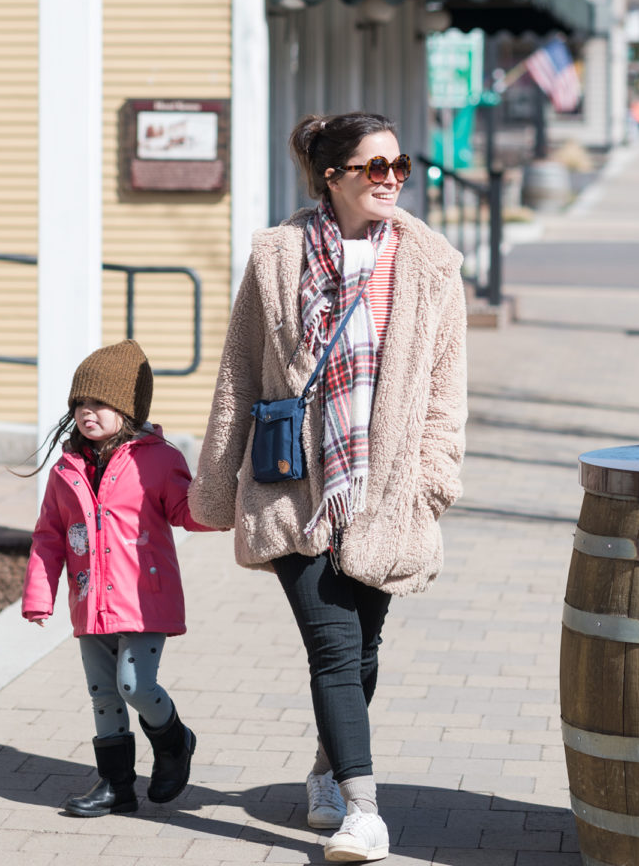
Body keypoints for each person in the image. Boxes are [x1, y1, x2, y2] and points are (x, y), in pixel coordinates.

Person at [190, 112, 467, 864]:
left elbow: (446, 391)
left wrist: (433, 482)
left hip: (387, 492)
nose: (391, 180)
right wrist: (214, 486)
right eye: (375, 167)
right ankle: (364, 812)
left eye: (399, 166)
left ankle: (325, 769)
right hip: (293, 487)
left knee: (364, 645)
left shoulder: (432, 263)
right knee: (335, 649)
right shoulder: (278, 259)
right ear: (332, 176)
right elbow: (237, 373)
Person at [22, 339, 211, 817]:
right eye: (80, 403)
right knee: (103, 694)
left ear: (126, 409)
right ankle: (116, 786)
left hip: (144, 599)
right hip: (90, 601)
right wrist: (38, 596)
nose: (88, 412)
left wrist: (222, 499)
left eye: (100, 403)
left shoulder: (159, 459)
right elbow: (50, 536)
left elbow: (188, 512)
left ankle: (174, 742)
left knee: (134, 685)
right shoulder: (67, 469)